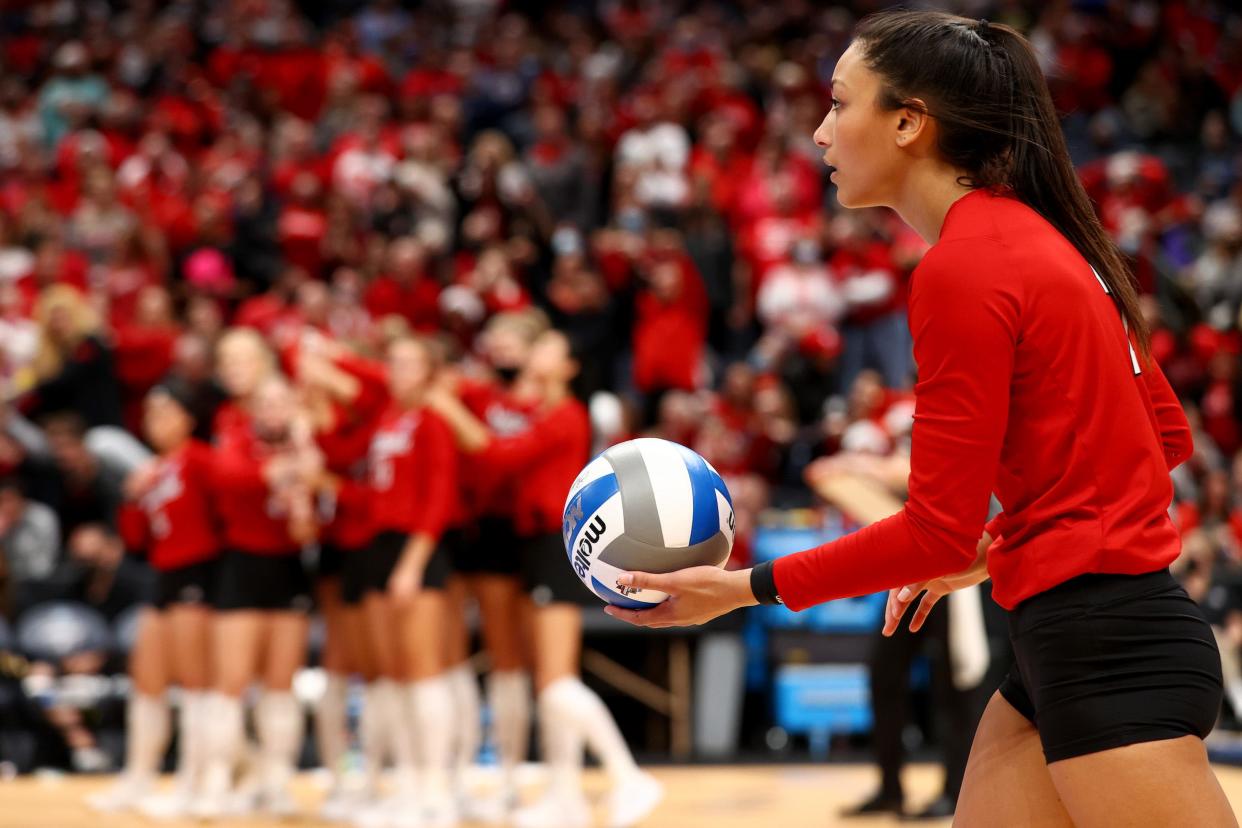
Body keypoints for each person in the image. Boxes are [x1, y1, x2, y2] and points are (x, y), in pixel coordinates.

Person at [602, 12, 1235, 827]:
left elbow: (935, 532)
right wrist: (1005, 544)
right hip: (1080, 635)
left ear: (908, 122)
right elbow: (1164, 438)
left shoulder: (965, 266)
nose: (822, 132)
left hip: (1103, 646)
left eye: (839, 104)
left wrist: (742, 589)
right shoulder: (1046, 240)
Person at [430, 329, 663, 828]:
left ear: (569, 366)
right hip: (535, 545)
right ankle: (566, 798)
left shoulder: (566, 415)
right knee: (548, 682)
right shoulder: (541, 411)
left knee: (556, 683)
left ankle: (629, 777)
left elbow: (500, 456)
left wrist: (449, 408)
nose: (533, 351)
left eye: (547, 347)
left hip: (555, 545)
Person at [88, 379, 219, 816]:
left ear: (188, 417)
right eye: (149, 413)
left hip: (197, 574)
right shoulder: (156, 467)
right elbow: (136, 539)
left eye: (165, 411)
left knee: (196, 682)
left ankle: (193, 783)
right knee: (147, 678)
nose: (155, 421)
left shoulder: (202, 460)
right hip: (162, 574)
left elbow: (223, 517)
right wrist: (131, 496)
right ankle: (138, 777)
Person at [197, 375, 319, 819]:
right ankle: (216, 780)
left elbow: (307, 527)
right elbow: (229, 479)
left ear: (295, 407)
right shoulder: (236, 440)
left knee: (280, 687)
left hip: (287, 569)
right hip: (241, 565)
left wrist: (302, 467)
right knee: (230, 684)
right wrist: (289, 465)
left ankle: (276, 782)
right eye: (265, 401)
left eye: (282, 401)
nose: (273, 409)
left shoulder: (307, 452)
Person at [353, 334, 460, 827]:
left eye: (408, 363)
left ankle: (437, 790)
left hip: (416, 547)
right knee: (392, 673)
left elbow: (439, 498)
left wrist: (412, 565)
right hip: (378, 544)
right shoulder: (386, 417)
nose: (396, 370)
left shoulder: (434, 422)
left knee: (423, 671)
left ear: (429, 371)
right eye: (392, 362)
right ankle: (408, 784)